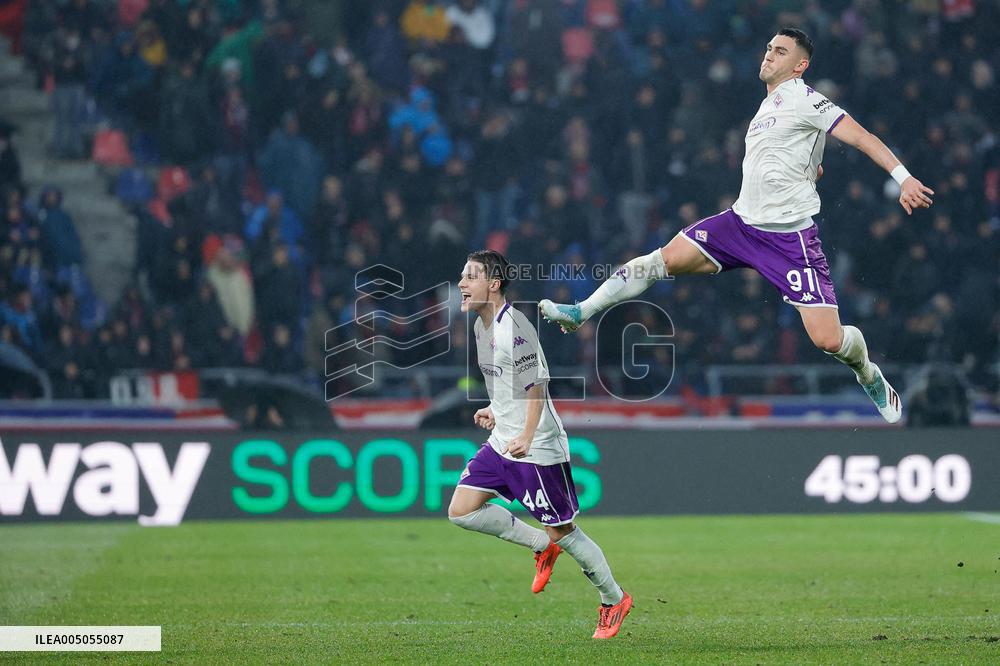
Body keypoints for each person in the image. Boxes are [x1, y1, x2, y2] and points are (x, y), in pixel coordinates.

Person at [540, 28, 935, 424]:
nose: (768, 55)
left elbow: (861, 136)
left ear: (800, 65)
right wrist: (810, 166)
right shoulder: (766, 108)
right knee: (660, 261)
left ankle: (867, 370)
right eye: (768, 48)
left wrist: (903, 178)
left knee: (828, 340)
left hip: (789, 239)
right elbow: (798, 156)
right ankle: (580, 312)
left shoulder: (806, 97)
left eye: (780, 52)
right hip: (740, 225)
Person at [448, 249, 632, 639]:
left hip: (536, 447)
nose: (461, 284)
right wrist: (496, 410)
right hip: (505, 440)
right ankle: (539, 546)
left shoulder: (514, 327)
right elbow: (508, 383)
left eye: (470, 277)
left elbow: (536, 386)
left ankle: (613, 599)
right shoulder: (482, 327)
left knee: (563, 530)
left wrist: (527, 435)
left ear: (493, 284)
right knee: (461, 511)